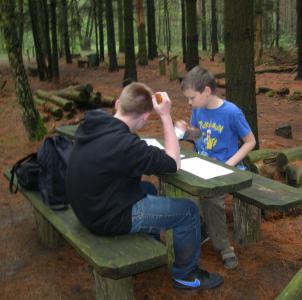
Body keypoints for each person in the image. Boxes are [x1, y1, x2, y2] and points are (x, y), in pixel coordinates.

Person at [66, 82, 223, 290]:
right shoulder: (127, 146)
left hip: (85, 207)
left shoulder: (94, 122)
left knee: (148, 190)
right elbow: (173, 164)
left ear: (117, 103)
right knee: (188, 212)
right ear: (147, 116)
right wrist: (166, 116)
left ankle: (150, 238)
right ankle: (185, 275)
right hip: (103, 218)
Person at [175, 66, 256, 270]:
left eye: (192, 98)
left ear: (207, 91)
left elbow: (250, 141)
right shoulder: (198, 109)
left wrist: (230, 163)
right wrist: (187, 131)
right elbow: (199, 135)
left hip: (227, 169)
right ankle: (200, 227)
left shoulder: (231, 112)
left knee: (212, 198)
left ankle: (223, 246)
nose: (189, 102)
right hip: (203, 164)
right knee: (178, 183)